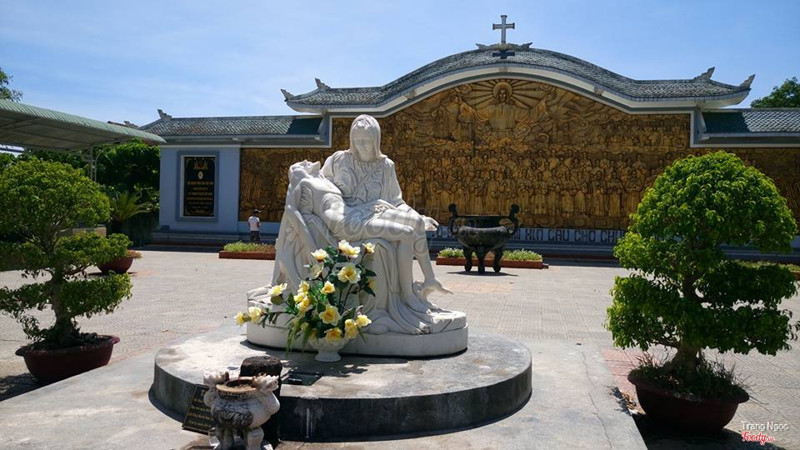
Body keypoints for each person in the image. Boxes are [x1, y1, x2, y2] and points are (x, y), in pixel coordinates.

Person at [320, 114, 449, 299]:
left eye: (366, 140)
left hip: (378, 211)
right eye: (357, 140)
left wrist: (419, 216)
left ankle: (430, 278)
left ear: (376, 140)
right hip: (352, 217)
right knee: (407, 232)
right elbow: (320, 187)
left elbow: (396, 201)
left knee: (417, 223)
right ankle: (406, 294)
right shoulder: (338, 160)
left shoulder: (386, 166)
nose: (361, 145)